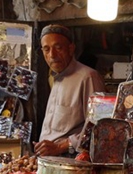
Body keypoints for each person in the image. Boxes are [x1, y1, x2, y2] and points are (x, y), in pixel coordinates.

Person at [34, 24, 106, 157]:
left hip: (70, 161)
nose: (52, 55)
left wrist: (60, 146)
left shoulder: (88, 77)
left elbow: (99, 128)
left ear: (71, 49)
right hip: (48, 160)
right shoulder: (55, 77)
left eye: (58, 48)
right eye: (46, 49)